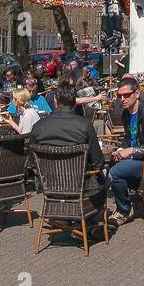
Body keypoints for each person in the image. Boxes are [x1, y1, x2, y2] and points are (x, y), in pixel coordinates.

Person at [28, 85, 107, 213]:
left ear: (55, 101)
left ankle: (61, 212)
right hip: (80, 184)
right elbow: (98, 162)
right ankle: (85, 216)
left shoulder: (38, 126)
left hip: (50, 185)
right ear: (75, 102)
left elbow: (32, 162)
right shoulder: (84, 125)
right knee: (105, 176)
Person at [105, 75, 144, 226]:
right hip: (137, 158)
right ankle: (105, 206)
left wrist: (131, 151)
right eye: (120, 96)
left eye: (127, 95)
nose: (123, 99)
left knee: (115, 172)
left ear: (137, 94)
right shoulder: (126, 113)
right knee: (105, 166)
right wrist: (120, 149)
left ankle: (124, 210)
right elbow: (129, 138)